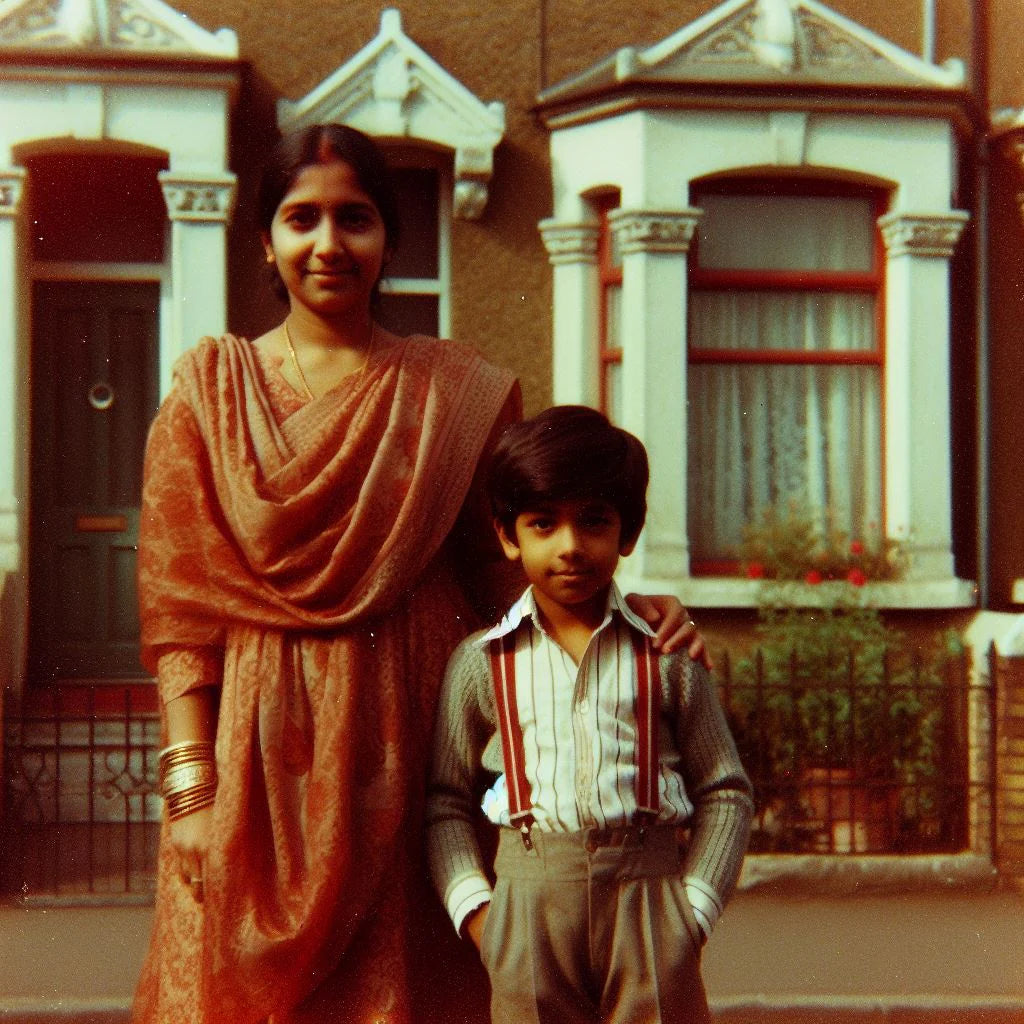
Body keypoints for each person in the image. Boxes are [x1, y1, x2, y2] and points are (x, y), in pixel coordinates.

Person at [132, 123, 707, 1024]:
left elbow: (502, 574)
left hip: (412, 737)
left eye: (354, 218)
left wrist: (621, 610)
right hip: (256, 758)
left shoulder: (455, 393)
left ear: (390, 238)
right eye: (301, 218)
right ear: (266, 240)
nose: (329, 244)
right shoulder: (208, 393)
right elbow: (179, 609)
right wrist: (192, 792)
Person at [427, 405, 754, 1024]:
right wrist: (481, 918)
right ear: (507, 535)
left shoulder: (667, 656)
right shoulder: (480, 663)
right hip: (526, 907)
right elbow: (446, 801)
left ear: (627, 534)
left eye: (594, 522)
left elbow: (727, 790)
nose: (570, 546)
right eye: (543, 524)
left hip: (651, 903)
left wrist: (694, 910)